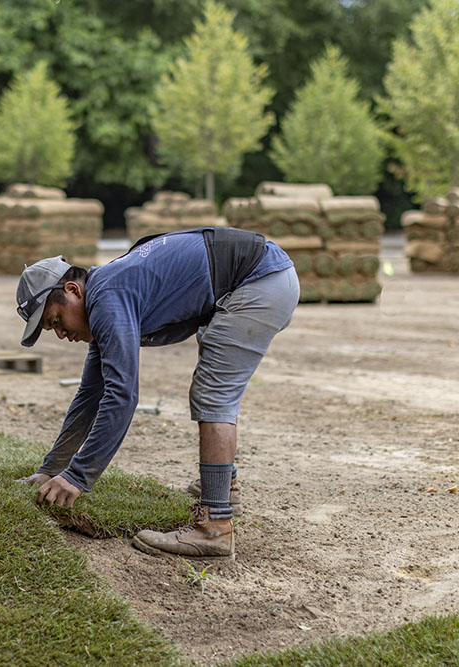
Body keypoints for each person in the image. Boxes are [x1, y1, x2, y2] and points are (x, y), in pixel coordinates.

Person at [16, 227, 299, 561]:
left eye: (55, 320)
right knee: (212, 391)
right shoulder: (107, 294)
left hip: (258, 280)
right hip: (263, 275)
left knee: (213, 395)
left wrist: (77, 477)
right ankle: (227, 488)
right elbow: (91, 394)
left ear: (73, 289)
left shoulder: (107, 297)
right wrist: (53, 468)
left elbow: (122, 396)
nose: (61, 333)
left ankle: (215, 528)